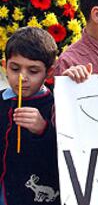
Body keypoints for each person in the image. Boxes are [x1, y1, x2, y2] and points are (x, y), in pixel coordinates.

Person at [0, 27, 60, 205]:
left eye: (33, 71)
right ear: (4, 66)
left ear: (49, 73)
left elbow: (65, 156)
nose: (22, 78)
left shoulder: (55, 106)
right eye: (15, 68)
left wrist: (44, 129)